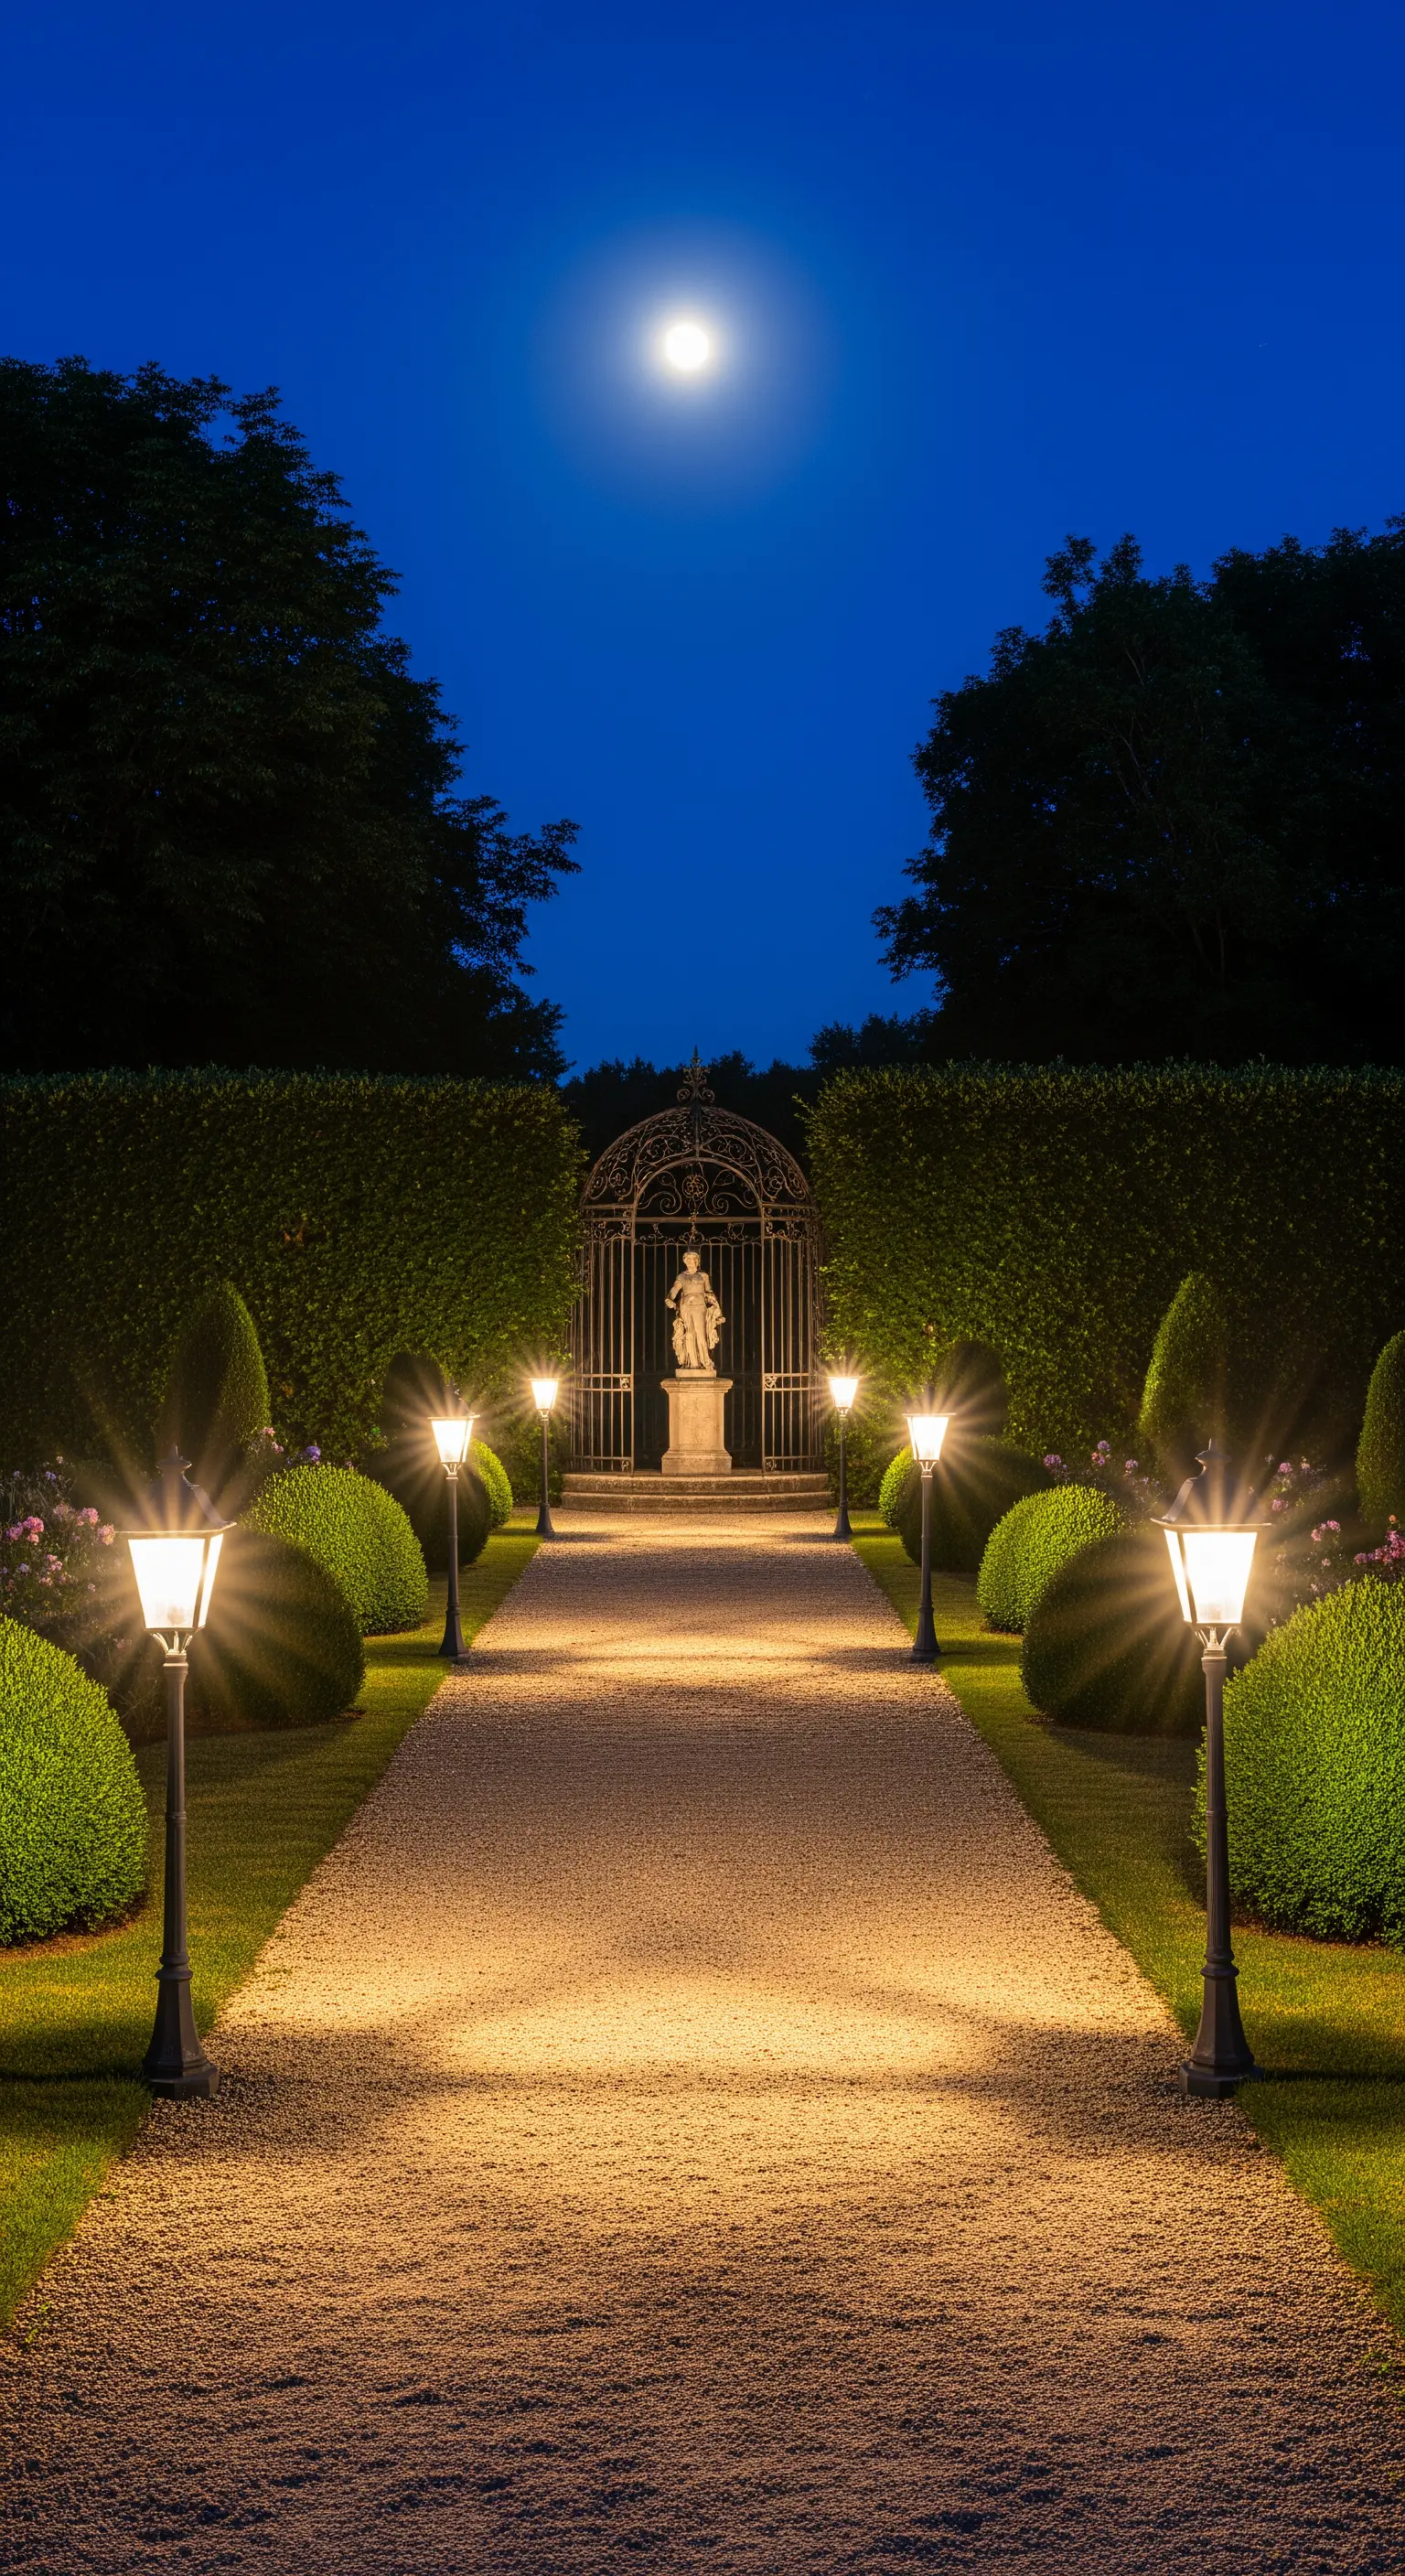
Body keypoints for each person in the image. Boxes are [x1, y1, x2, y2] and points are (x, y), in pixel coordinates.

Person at [665, 1249, 724, 1373]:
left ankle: (705, 1361)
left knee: (701, 1334)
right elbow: (675, 1290)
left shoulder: (703, 1276)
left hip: (700, 1306)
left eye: (693, 1259)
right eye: (688, 1260)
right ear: (685, 1262)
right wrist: (669, 1299)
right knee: (689, 1333)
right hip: (686, 1307)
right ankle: (692, 1363)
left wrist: (716, 1310)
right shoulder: (681, 1276)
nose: (691, 1262)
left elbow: (709, 1293)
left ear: (697, 1261)